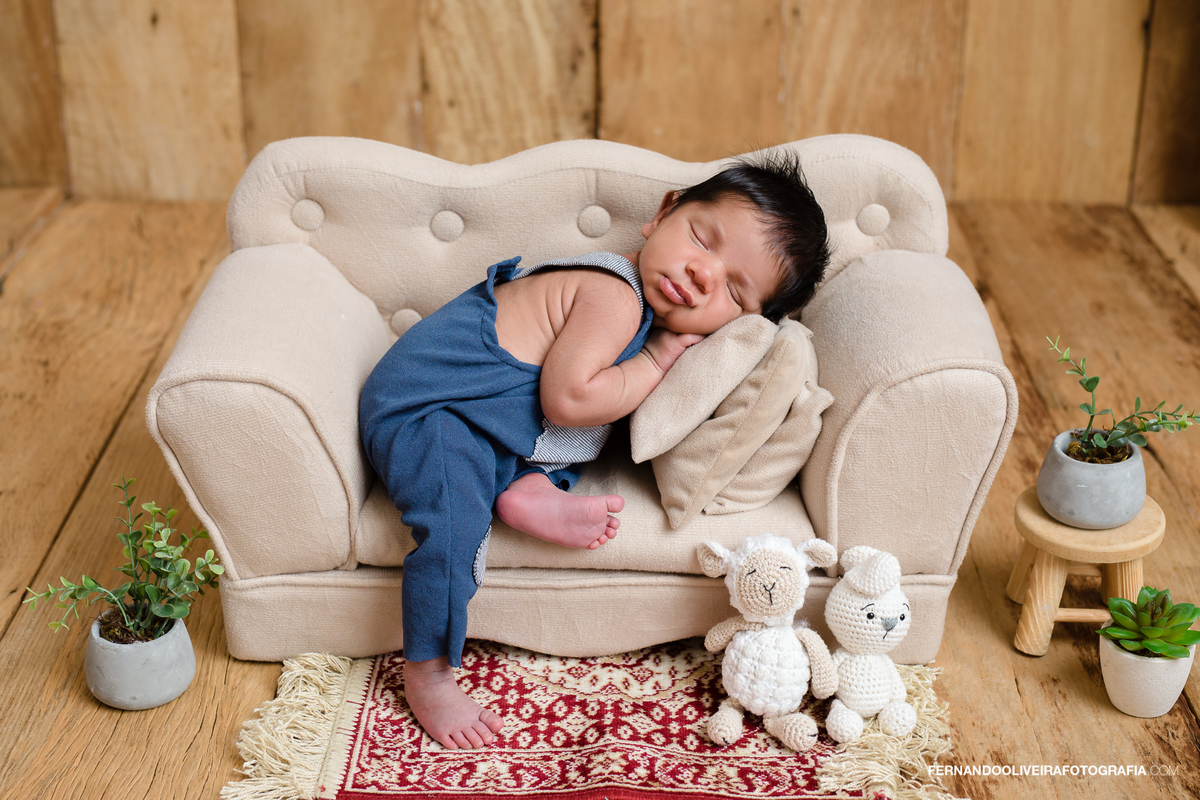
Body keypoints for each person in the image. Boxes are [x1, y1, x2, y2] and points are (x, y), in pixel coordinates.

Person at [358, 151, 830, 750]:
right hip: (425, 408)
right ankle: (427, 673)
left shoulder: (639, 306)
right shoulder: (614, 294)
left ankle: (523, 482)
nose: (704, 275)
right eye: (701, 238)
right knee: (454, 522)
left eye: (734, 293)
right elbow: (567, 401)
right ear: (663, 214)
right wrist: (657, 361)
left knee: (587, 428)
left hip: (482, 416)